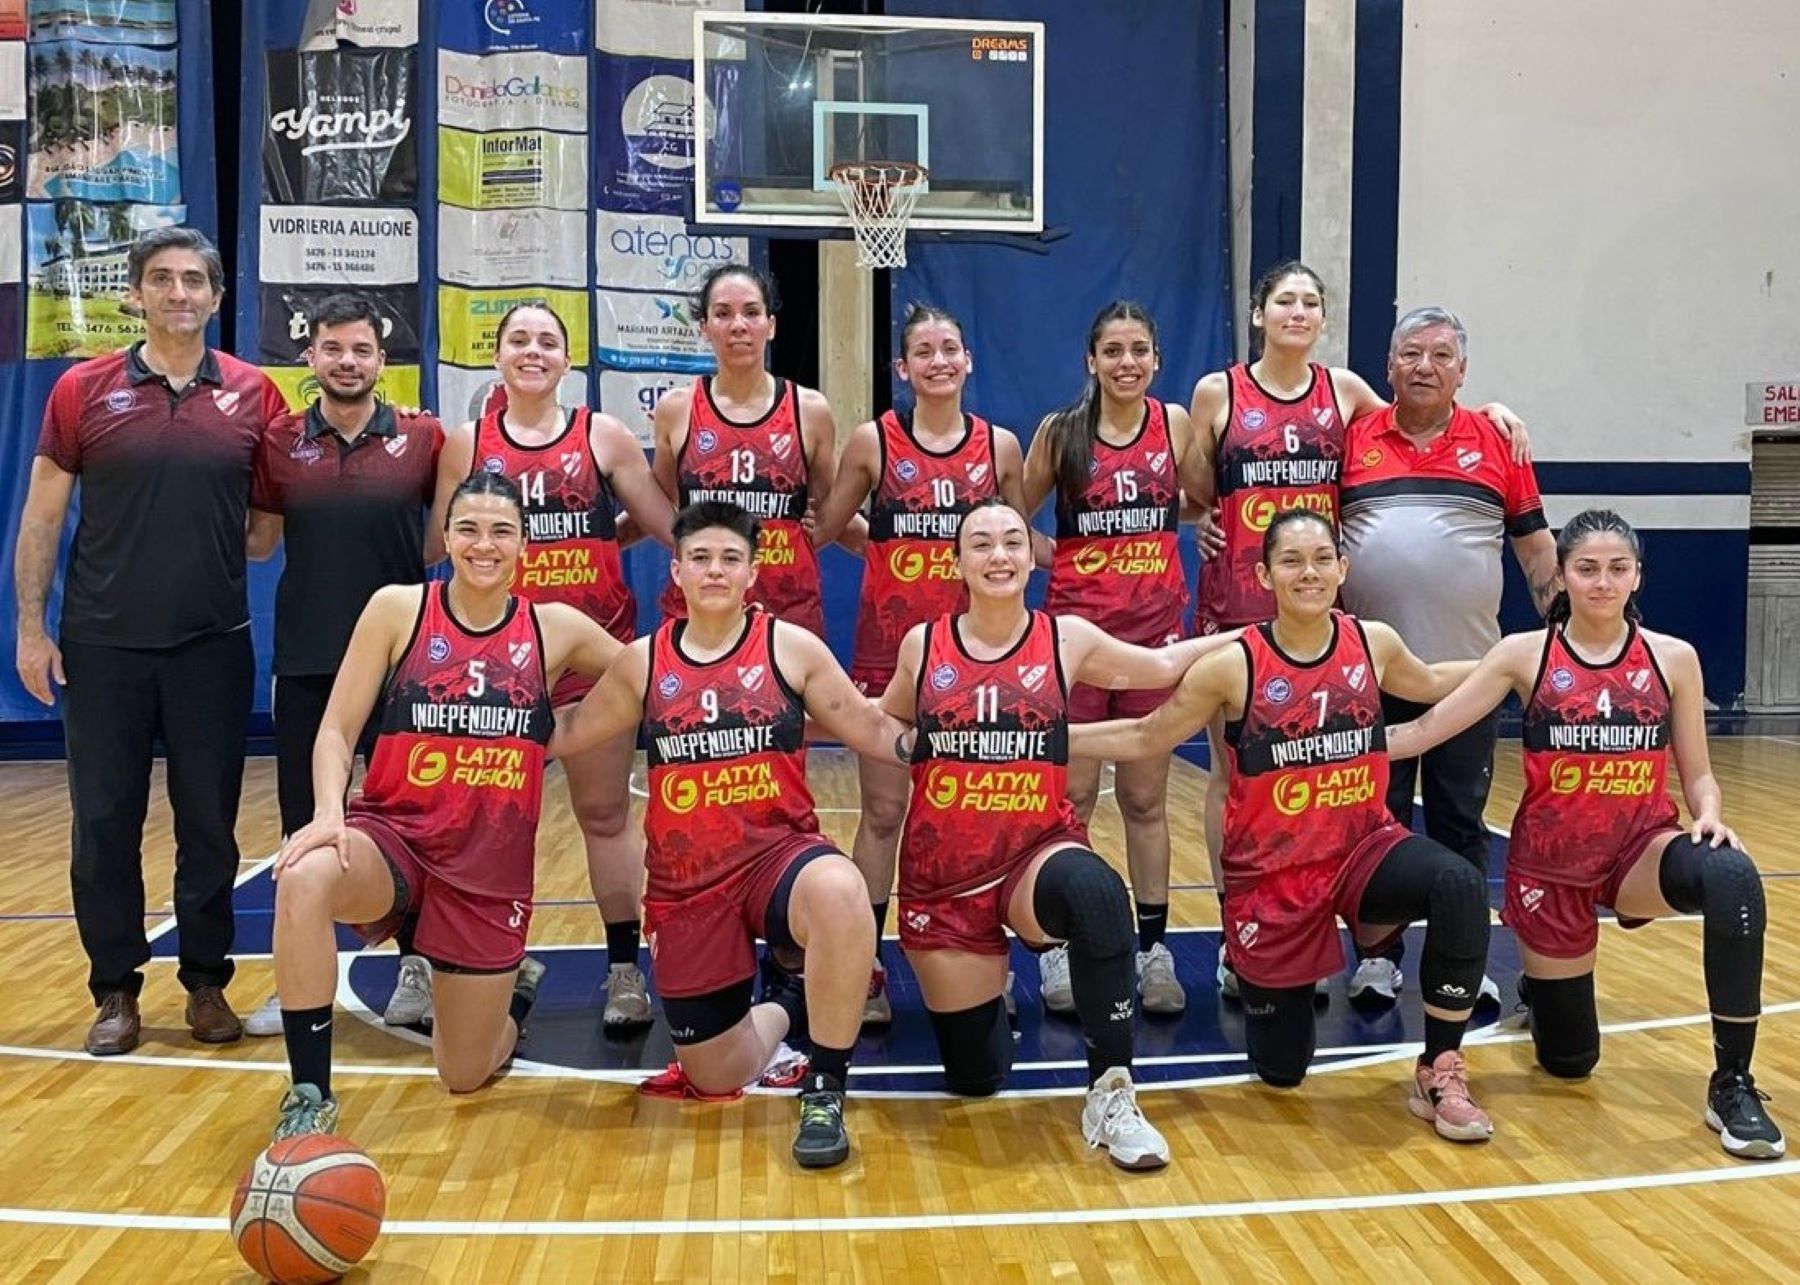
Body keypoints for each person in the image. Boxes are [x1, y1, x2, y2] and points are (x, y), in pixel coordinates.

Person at [1072, 510, 1497, 1143]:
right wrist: (1043, 738)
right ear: (1265, 573)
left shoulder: (1372, 642)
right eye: (1292, 561)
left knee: (1459, 884)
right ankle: (1272, 983)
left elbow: (1433, 682)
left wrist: (1520, 663)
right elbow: (1144, 734)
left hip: (1362, 849)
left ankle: (1439, 1068)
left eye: (1323, 558)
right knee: (1282, 1070)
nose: (1310, 572)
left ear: (1343, 568)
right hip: (1273, 878)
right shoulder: (1231, 664)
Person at [1387, 508, 1784, 1159]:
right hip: (1550, 869)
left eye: (1617, 568)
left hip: (1637, 852)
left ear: (1637, 577)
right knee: (1571, 1060)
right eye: (1587, 568)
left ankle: (1732, 1081)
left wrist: (1709, 811)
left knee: (1732, 876)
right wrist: (1332, 746)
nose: (1602, 582)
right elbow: (1426, 728)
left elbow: (1700, 776)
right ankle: (1541, 992)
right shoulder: (1523, 653)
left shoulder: (1673, 658)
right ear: (1562, 578)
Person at [1188, 263, 1527, 999]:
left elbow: (1419, 413)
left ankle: (1413, 951)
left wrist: (1495, 410)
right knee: (1243, 787)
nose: (1298, 311)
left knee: (1366, 803)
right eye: (1285, 300)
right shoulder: (1218, 393)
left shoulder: (1345, 395)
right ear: (1258, 312)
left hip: (1327, 628)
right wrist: (1200, 523)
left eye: (1312, 301)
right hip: (1241, 615)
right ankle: (1239, 931)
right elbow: (1190, 491)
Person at [881, 499, 1243, 1170]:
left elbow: (1158, 668)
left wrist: (1252, 637)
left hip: (1033, 853)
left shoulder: (1066, 637)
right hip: (944, 878)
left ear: (1029, 556)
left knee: (1099, 893)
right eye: (981, 543)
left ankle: (1112, 1089)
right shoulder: (922, 645)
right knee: (976, 1074)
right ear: (956, 562)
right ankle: (988, 1003)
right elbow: (881, 727)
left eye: (1013, 541)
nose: (998, 554)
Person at [552, 500, 912, 1170]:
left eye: (730, 558)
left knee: (839, 888)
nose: (715, 570)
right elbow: (568, 732)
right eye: (701, 557)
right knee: (716, 1072)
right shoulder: (641, 662)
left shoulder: (789, 646)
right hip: (687, 886)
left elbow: (868, 726)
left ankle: (827, 1084)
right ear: (677, 570)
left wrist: (949, 740)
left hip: (777, 856)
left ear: (752, 573)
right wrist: (483, 717)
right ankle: (790, 999)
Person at [267, 472, 624, 1140]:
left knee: (464, 1072)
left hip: (486, 874)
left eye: (500, 530)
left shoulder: (557, 629)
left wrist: (575, 727)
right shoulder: (398, 609)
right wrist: (326, 810)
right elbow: (338, 729)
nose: (482, 544)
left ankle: (513, 993)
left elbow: (651, 677)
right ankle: (309, 1092)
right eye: (468, 528)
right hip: (395, 839)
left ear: (524, 543)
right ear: (446, 537)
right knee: (305, 873)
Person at [14, 226, 287, 1056]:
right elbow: (42, 517)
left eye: (194, 281)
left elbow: (265, 531)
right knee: (104, 824)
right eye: (162, 280)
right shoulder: (82, 390)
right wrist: (31, 630)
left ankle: (206, 982)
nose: (179, 294)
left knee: (210, 824)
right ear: (135, 294)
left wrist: (196, 544)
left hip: (212, 645)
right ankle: (114, 990)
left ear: (214, 295)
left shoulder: (254, 394)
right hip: (102, 649)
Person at [431, 302, 676, 1032]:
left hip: (591, 659)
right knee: (486, 823)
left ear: (568, 361)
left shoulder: (599, 434)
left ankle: (624, 970)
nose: (532, 351)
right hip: (493, 667)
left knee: (604, 815)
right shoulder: (464, 443)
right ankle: (486, 963)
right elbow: (435, 543)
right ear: (498, 356)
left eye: (547, 341)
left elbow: (662, 521)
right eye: (518, 340)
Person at [811, 302, 1032, 1026]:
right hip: (890, 648)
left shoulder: (1000, 446)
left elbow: (1019, 538)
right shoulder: (876, 439)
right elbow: (831, 523)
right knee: (882, 812)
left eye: (950, 349)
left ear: (969, 361)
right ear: (903, 369)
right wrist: (884, 552)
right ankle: (865, 961)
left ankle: (979, 951)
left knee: (975, 811)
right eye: (923, 353)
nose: (939, 361)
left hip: (979, 659)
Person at [1337, 305, 1558, 1010]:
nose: (1424, 366)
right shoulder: (1354, 436)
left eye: (1440, 355)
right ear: (1388, 366)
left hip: (1471, 673)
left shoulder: (1498, 440)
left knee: (1462, 820)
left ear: (1463, 371)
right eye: (1411, 354)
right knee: (1377, 816)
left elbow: (1534, 546)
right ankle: (1377, 956)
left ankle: (1461, 956)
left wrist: (1564, 641)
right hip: (1371, 672)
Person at [241, 292, 444, 1038]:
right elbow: (259, 540)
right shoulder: (277, 442)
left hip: (407, 667)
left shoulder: (424, 439)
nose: (348, 361)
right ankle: (303, 980)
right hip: (306, 660)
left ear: (381, 360)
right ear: (312, 357)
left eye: (361, 349)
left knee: (418, 822)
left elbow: (437, 543)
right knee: (307, 826)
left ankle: (419, 968)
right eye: (334, 349)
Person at [1023, 301, 1209, 1017]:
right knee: (1068, 799)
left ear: (1156, 359)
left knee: (1143, 798)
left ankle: (1153, 948)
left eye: (1139, 349)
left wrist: (1200, 528)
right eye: (1113, 350)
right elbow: (1011, 515)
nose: (1127, 362)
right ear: (1090, 361)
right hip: (1075, 645)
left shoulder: (1174, 426)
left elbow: (1198, 500)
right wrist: (1052, 556)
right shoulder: (1061, 432)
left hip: (1153, 643)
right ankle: (1063, 948)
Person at [651, 264, 838, 637]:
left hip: (788, 610)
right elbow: (659, 503)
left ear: (771, 325)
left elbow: (830, 512)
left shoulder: (810, 410)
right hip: (699, 607)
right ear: (704, 327)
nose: (738, 325)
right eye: (723, 314)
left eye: (751, 313)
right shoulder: (676, 408)